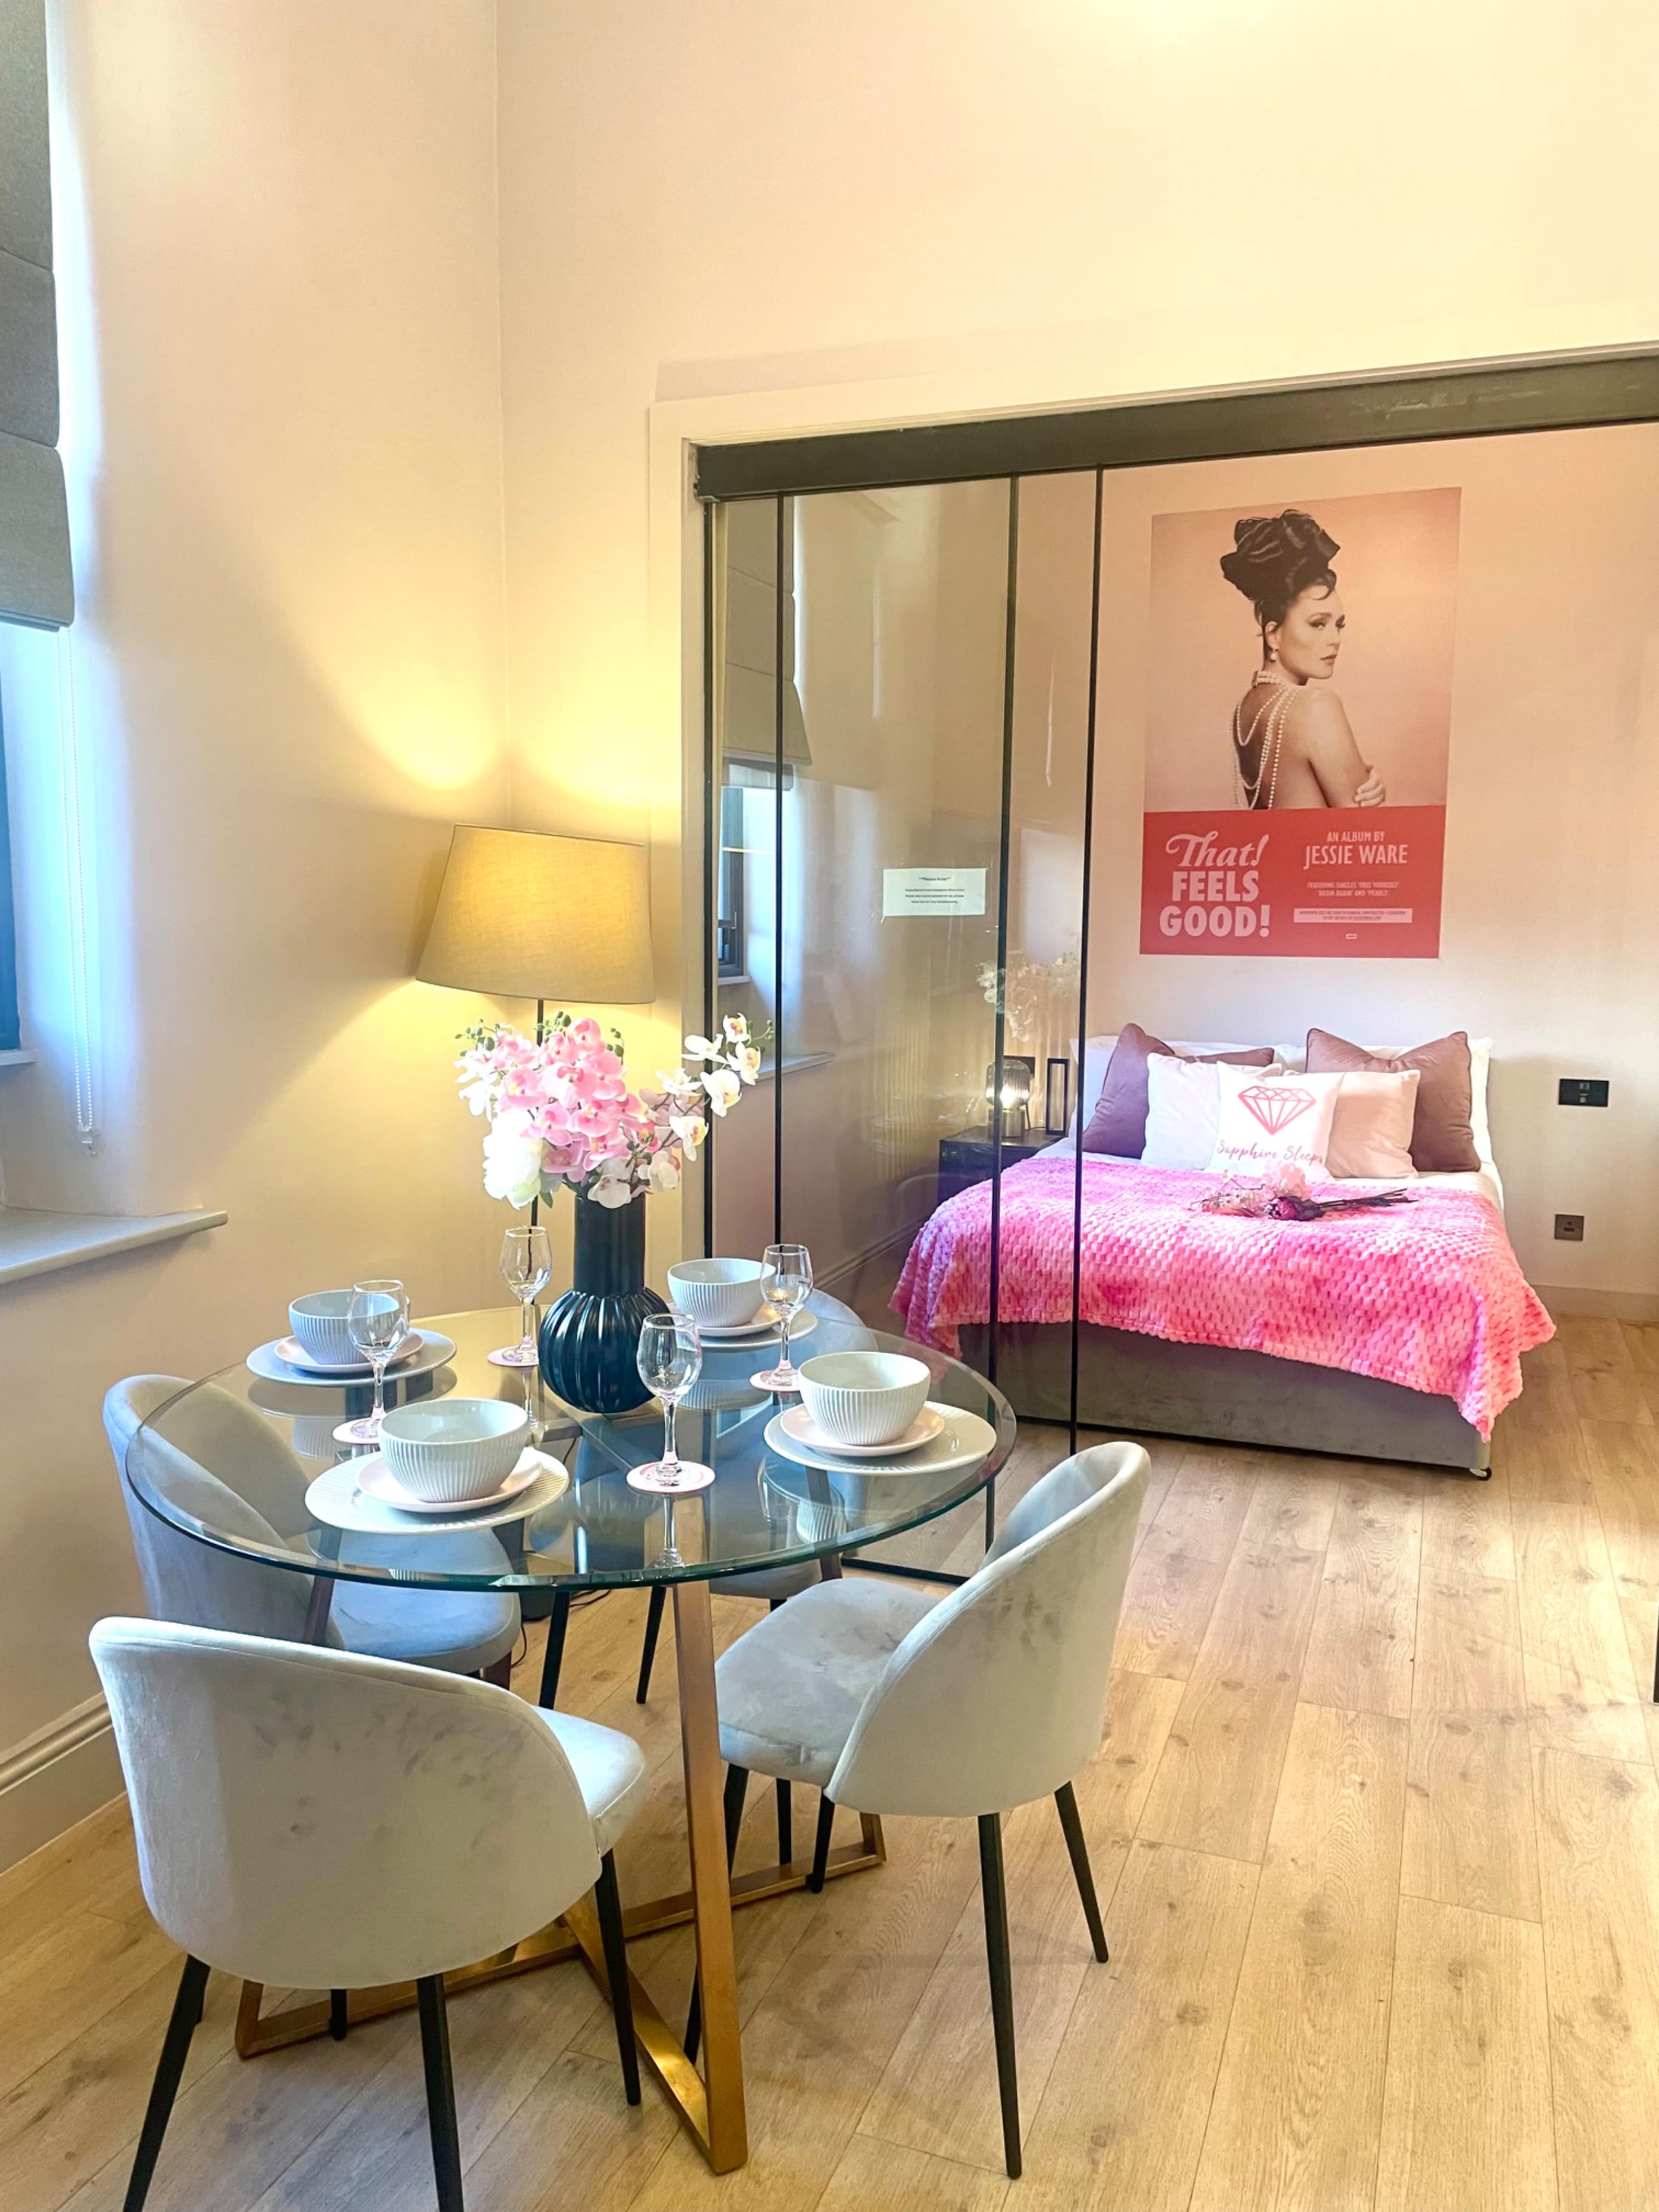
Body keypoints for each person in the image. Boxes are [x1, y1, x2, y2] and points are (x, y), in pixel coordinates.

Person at [1219, 509, 1386, 808]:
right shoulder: (1316, 707)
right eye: (1318, 624)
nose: (1335, 639)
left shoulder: (1246, 707)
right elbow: (1360, 840)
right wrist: (1369, 796)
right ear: (1274, 634)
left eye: (1339, 625)